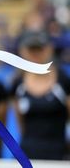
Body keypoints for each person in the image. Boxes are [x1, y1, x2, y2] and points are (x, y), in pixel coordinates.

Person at [10, 29, 70, 160]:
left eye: (40, 49)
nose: (36, 54)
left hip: (58, 153)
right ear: (23, 51)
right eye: (32, 49)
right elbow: (20, 123)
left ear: (49, 49)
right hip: (28, 151)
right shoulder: (18, 83)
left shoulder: (63, 80)